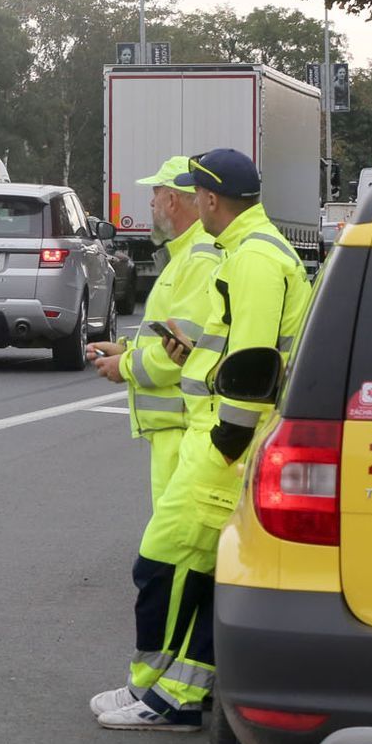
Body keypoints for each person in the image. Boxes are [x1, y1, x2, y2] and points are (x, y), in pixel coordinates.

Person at [94, 148, 312, 731]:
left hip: (225, 441)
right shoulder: (243, 252)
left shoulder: (254, 259)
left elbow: (255, 361)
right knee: (202, 572)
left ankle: (155, 691)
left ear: (210, 200)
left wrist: (226, 443)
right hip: (219, 432)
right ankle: (180, 695)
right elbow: (233, 347)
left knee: (162, 563)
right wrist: (193, 357)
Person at [84, 156, 222, 507]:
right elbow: (176, 337)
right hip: (177, 430)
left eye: (155, 194)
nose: (150, 203)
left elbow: (183, 350)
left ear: (173, 200)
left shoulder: (198, 258)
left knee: (171, 550)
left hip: (184, 429)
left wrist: (125, 367)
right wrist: (126, 350)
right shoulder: (186, 256)